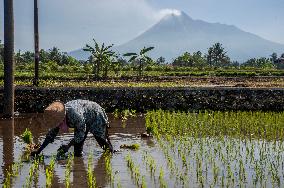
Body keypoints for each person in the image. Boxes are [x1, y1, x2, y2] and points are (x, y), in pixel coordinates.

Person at [31, 99, 113, 157]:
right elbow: (50, 136)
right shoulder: (56, 118)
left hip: (94, 113)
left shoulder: (74, 115)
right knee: (77, 150)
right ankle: (80, 174)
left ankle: (110, 153)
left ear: (62, 117)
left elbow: (81, 132)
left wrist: (68, 145)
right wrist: (39, 151)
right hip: (84, 117)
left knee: (102, 142)